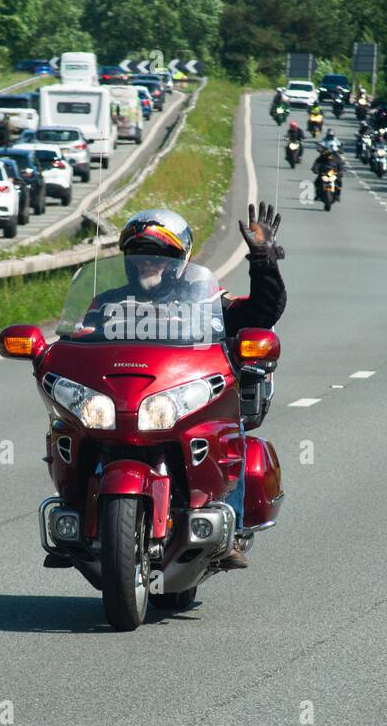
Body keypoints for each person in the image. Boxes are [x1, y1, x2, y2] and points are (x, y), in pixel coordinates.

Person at [110, 206, 286, 571]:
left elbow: (260, 314)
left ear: (179, 261)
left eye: (160, 257)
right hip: (125, 406)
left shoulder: (205, 301)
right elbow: (77, 341)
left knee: (228, 426)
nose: (148, 264)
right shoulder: (107, 306)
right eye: (140, 257)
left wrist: (263, 261)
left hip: (185, 402)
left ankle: (232, 526)